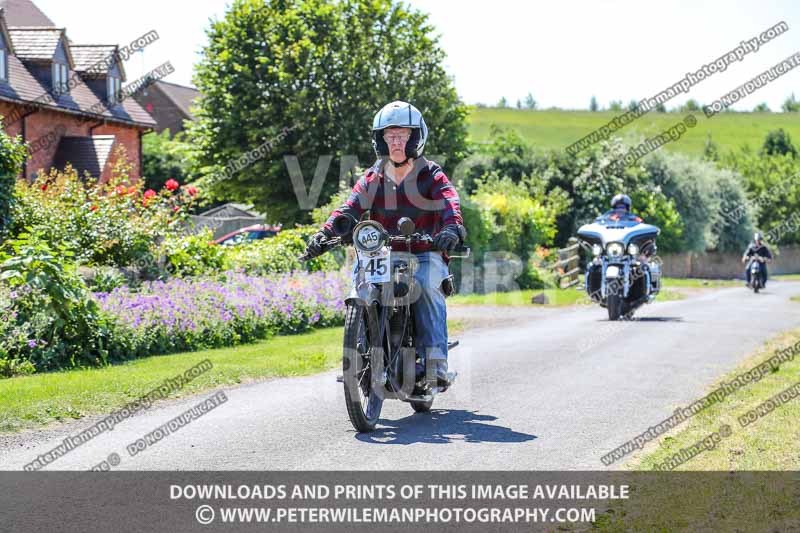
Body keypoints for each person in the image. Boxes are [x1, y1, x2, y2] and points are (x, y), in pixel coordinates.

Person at [304, 100, 466, 387]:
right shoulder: (374, 175)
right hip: (382, 252)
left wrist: (452, 228)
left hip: (424, 251)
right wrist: (326, 233)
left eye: (402, 135)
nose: (396, 142)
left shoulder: (431, 174)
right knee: (360, 279)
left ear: (416, 137)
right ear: (380, 140)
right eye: (389, 136)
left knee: (427, 284)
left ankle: (435, 364)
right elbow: (350, 207)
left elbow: (449, 202)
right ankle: (359, 353)